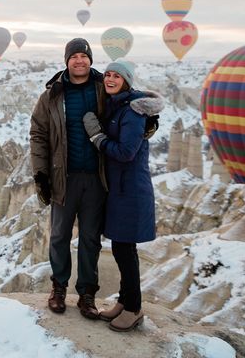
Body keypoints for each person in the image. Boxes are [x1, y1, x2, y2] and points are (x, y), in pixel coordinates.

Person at [83, 59, 164, 332]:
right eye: (107, 74)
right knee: (121, 247)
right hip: (120, 189)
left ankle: (134, 308)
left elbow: (126, 152)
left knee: (125, 250)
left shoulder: (132, 110)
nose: (109, 79)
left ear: (126, 80)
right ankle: (124, 300)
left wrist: (98, 139)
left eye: (116, 76)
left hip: (131, 190)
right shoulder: (118, 106)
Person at [30, 38, 107, 319]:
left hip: (97, 178)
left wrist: (147, 117)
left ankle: (87, 294)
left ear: (90, 60)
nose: (79, 61)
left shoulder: (104, 89)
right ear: (66, 61)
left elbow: (127, 106)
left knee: (90, 238)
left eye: (84, 56)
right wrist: (41, 174)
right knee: (60, 235)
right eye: (74, 56)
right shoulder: (51, 95)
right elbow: (38, 134)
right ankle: (59, 288)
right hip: (65, 177)